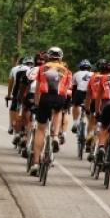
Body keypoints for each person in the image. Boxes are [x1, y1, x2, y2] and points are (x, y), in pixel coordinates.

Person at [29, 47, 71, 176]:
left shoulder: (42, 68)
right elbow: (67, 89)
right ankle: (56, 136)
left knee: (41, 129)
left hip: (45, 97)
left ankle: (36, 162)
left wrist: (36, 103)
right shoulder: (66, 71)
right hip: (59, 97)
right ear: (60, 57)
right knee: (58, 112)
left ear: (48, 56)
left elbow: (37, 88)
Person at [19, 52, 48, 157]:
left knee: (27, 110)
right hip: (47, 96)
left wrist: (23, 100)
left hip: (32, 95)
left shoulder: (30, 70)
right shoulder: (52, 70)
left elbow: (23, 88)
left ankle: (27, 138)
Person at [84, 59, 108, 155]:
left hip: (94, 101)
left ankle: (90, 134)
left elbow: (88, 94)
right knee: (105, 126)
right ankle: (101, 144)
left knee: (92, 120)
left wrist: (87, 108)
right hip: (107, 101)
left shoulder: (93, 77)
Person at [11, 56, 35, 146]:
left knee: (19, 112)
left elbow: (17, 86)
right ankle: (27, 135)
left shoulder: (20, 71)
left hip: (22, 95)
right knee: (30, 115)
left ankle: (17, 135)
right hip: (34, 96)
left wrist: (15, 96)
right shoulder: (38, 71)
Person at [71, 59, 93, 133]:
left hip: (80, 92)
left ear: (80, 67)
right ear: (90, 68)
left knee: (75, 105)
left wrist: (73, 99)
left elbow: (74, 88)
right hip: (91, 94)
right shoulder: (93, 74)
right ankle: (91, 128)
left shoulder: (76, 74)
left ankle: (75, 122)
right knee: (90, 111)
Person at [6, 57, 24, 134]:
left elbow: (11, 83)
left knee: (14, 108)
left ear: (19, 62)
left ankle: (12, 125)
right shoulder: (33, 68)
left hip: (18, 92)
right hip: (31, 94)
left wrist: (9, 95)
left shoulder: (15, 69)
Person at [59, 61, 72, 145]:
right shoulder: (69, 73)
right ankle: (63, 133)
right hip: (68, 93)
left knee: (56, 112)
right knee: (65, 112)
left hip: (59, 93)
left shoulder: (57, 71)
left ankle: (54, 131)